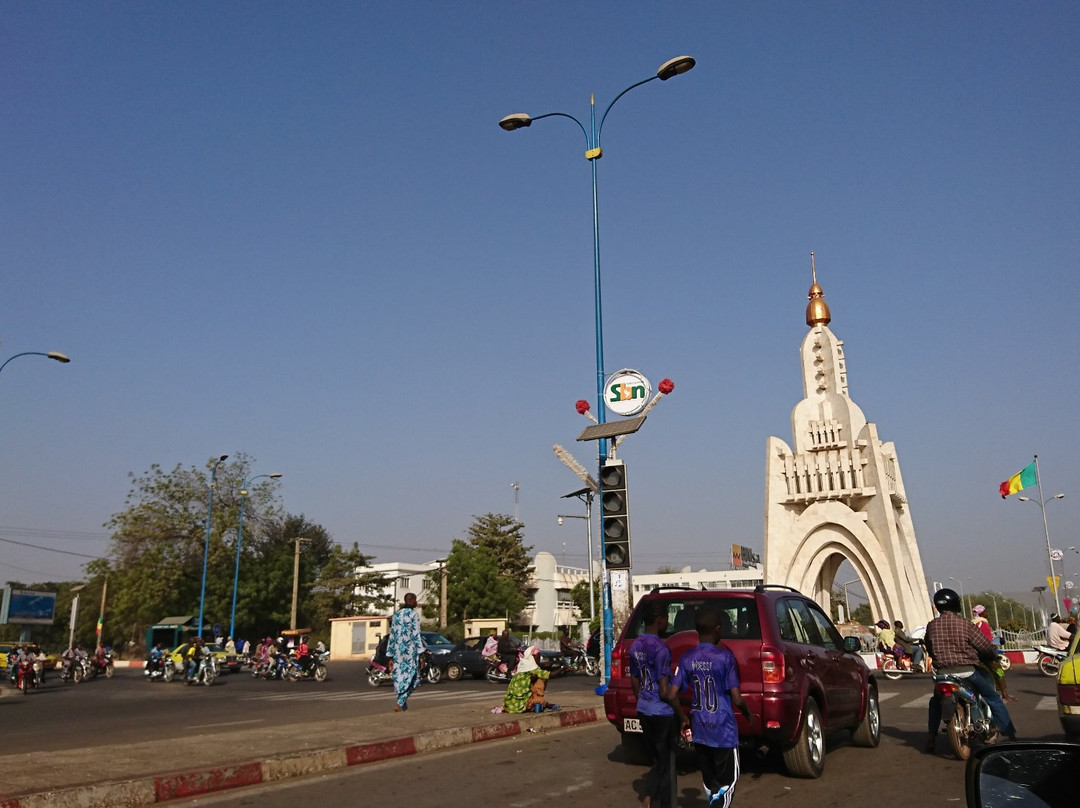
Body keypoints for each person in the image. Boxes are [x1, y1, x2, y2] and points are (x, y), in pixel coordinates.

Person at [670, 607, 753, 807]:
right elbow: (737, 697)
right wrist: (748, 714)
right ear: (717, 630)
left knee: (712, 786)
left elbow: (672, 694)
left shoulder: (687, 658)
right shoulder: (725, 658)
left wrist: (683, 718)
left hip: (700, 731)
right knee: (728, 784)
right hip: (723, 731)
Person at [923, 588, 1017, 753]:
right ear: (956, 604)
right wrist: (991, 655)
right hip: (967, 672)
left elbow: (929, 649)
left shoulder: (931, 626)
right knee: (993, 697)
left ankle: (930, 737)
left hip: (942, 674)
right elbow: (984, 646)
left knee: (935, 702)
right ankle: (1009, 733)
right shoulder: (965, 624)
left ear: (937, 606)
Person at [629, 601, 679, 808]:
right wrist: (681, 710)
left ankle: (655, 796)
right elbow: (664, 690)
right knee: (666, 760)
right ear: (659, 620)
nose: (668, 622)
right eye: (667, 618)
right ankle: (652, 797)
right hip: (662, 712)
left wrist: (641, 701)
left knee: (657, 758)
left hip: (644, 708)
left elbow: (635, 680)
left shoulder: (635, 646)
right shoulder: (661, 650)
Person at [386, 592, 423, 712]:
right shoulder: (413, 615)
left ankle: (404, 709)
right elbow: (416, 634)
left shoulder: (396, 615)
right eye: (415, 600)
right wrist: (421, 653)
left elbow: (392, 636)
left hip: (397, 652)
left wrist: (390, 655)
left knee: (401, 678)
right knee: (415, 678)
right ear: (410, 600)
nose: (416, 602)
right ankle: (400, 702)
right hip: (410, 651)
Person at [502, 646, 554, 713]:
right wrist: (563, 668)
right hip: (520, 704)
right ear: (532, 657)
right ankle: (540, 704)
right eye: (538, 658)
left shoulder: (522, 665)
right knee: (541, 680)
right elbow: (549, 675)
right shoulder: (534, 669)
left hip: (509, 704)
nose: (539, 660)